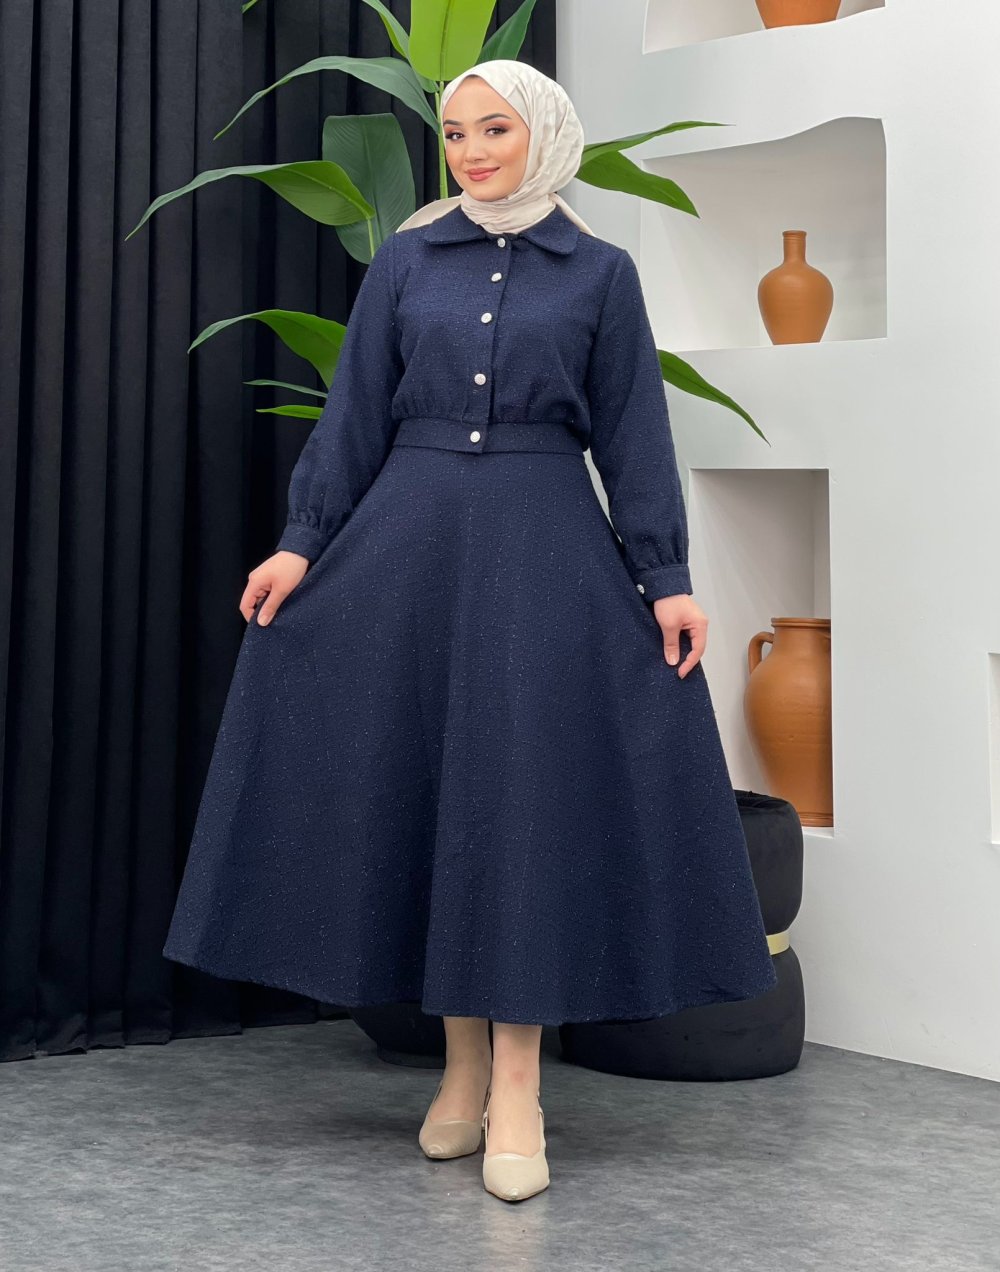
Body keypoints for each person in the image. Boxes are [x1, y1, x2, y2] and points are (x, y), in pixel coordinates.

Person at [162, 59, 778, 1203]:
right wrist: (301, 543)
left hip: (546, 552)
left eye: (494, 129)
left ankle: (518, 1090)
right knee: (437, 795)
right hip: (408, 545)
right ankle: (457, 1074)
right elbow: (354, 413)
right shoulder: (408, 261)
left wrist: (666, 577)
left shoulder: (599, 273)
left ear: (542, 133)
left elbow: (633, 433)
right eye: (453, 134)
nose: (472, 152)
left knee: (518, 807)